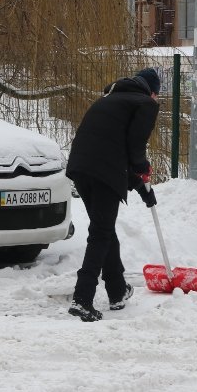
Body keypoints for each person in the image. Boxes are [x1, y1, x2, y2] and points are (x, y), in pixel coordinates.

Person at [65, 67, 161, 322]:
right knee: (101, 233)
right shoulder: (145, 104)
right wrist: (143, 169)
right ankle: (82, 299)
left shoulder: (109, 100)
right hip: (102, 170)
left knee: (103, 228)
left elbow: (111, 148)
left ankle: (117, 290)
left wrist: (141, 187)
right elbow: (134, 147)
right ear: (152, 92)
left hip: (81, 168)